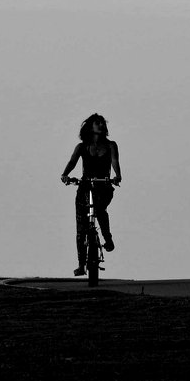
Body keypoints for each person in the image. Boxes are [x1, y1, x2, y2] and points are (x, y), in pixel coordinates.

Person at [60, 113, 122, 276]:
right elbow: (72, 162)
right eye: (97, 123)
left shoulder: (111, 145)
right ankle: (81, 264)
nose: (101, 125)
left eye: (102, 123)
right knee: (81, 228)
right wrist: (65, 174)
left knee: (100, 210)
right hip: (85, 186)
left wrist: (117, 176)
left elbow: (115, 161)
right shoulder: (82, 147)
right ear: (90, 127)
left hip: (103, 185)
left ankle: (107, 238)